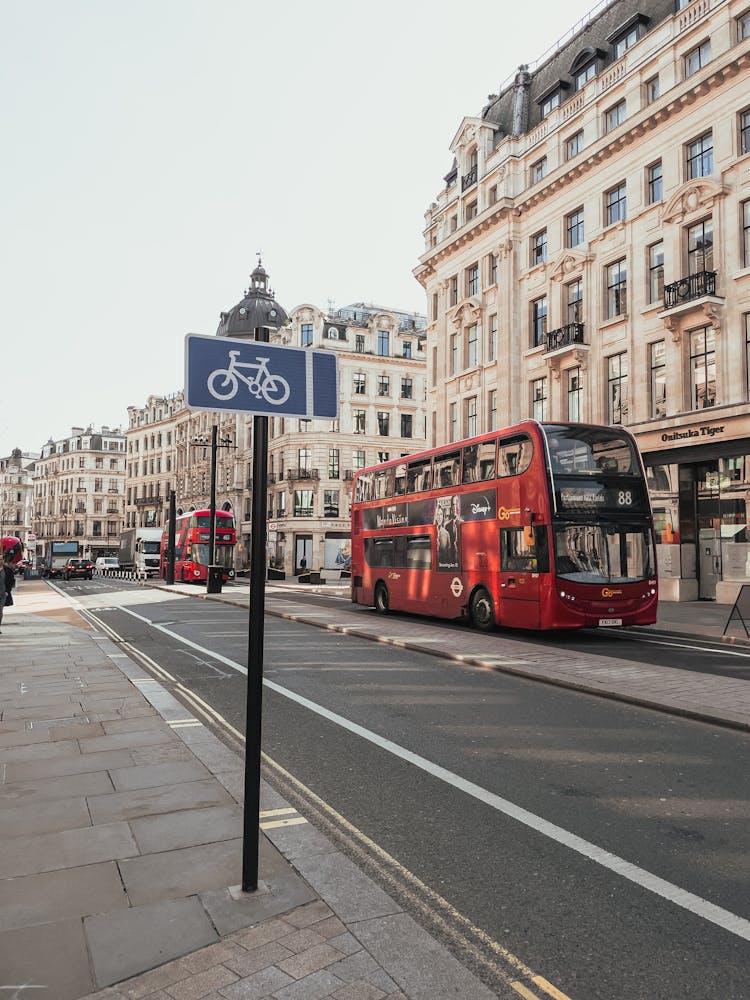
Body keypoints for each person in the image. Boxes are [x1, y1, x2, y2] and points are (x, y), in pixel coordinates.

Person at [1, 537, 23, 635]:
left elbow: (10, 581)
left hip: (2, 593)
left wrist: (7, 591)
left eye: (1, 559)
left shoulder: (7, 570)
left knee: (0, 611)